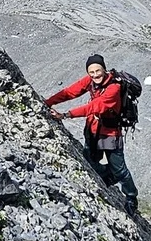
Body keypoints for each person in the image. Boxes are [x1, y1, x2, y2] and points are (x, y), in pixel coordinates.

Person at [45, 54, 138, 214]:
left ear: (104, 69)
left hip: (110, 134)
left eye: (98, 71)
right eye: (91, 72)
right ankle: (107, 177)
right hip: (92, 129)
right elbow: (70, 92)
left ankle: (131, 197)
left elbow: (94, 106)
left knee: (119, 170)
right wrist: (49, 102)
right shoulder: (90, 81)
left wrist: (65, 115)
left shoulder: (114, 88)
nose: (95, 75)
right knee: (89, 160)